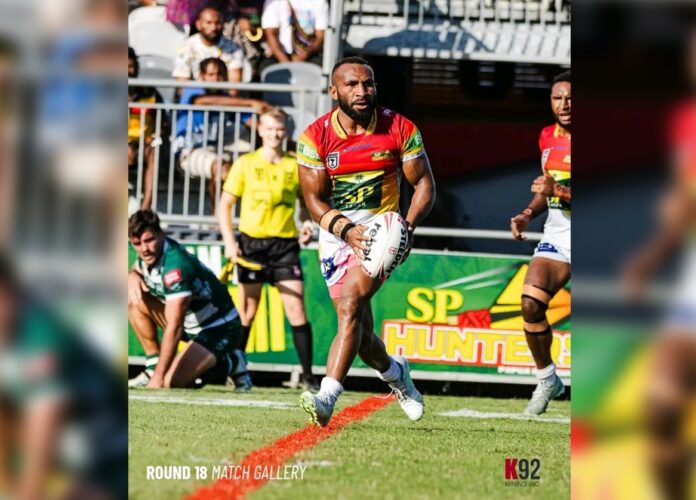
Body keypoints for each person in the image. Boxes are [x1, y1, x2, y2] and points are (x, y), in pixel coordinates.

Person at [295, 56, 436, 426]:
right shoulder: (314, 137)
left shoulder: (399, 127)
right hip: (337, 236)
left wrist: (406, 227)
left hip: (381, 233)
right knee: (362, 336)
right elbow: (314, 201)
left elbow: (424, 183)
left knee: (350, 306)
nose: (362, 91)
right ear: (334, 91)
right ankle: (397, 375)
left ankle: (326, 397)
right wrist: (345, 230)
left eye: (368, 83)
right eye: (352, 84)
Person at [0, 253, 127, 499]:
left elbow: (46, 411)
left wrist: (28, 492)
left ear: (12, 293)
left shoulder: (42, 331)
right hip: (59, 453)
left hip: (106, 455)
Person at [217, 107, 318, 391]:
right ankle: (237, 372)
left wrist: (306, 224)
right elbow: (225, 205)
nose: (275, 134)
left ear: (286, 132)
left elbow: (305, 205)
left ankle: (309, 377)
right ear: (260, 130)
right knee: (248, 311)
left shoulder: (295, 165)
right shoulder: (245, 163)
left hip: (284, 246)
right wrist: (230, 242)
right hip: (252, 244)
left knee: (296, 308)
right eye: (270, 129)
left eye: (280, 129)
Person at [127, 209, 252, 390]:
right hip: (190, 323)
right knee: (134, 298)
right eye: (137, 243)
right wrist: (132, 274)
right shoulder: (149, 256)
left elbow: (175, 327)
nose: (144, 249)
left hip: (218, 327)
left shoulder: (176, 266)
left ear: (161, 234)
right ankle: (153, 366)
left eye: (149, 240)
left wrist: (159, 379)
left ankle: (232, 362)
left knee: (172, 382)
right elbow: (137, 268)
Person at [509, 71, 571, 415]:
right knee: (531, 303)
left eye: (571, 98)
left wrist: (557, 190)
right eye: (558, 98)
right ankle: (547, 378)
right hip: (559, 234)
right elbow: (545, 190)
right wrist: (527, 214)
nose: (565, 105)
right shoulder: (547, 137)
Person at [175, 57, 270, 210]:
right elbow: (202, 101)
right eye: (211, 74)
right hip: (188, 151)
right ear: (202, 76)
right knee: (221, 168)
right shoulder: (192, 89)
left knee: (257, 155)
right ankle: (218, 217)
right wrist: (251, 103)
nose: (216, 79)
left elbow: (254, 124)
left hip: (217, 149)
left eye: (220, 75)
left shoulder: (226, 98)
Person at [172, 5, 245, 82]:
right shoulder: (187, 47)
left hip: (222, 90)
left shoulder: (233, 48)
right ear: (198, 24)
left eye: (217, 23)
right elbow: (182, 84)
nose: (213, 27)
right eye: (208, 23)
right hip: (194, 89)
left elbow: (233, 86)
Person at [128, 46, 162, 210]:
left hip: (144, 142)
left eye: (130, 66)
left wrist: (155, 135)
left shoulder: (150, 93)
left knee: (154, 152)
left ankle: (146, 206)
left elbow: (163, 122)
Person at [261, 0, 328, 68]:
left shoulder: (320, 2)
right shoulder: (273, 2)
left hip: (309, 54)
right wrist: (285, 62)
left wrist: (304, 56)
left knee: (322, 67)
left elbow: (320, 37)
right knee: (266, 67)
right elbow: (270, 34)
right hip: (279, 54)